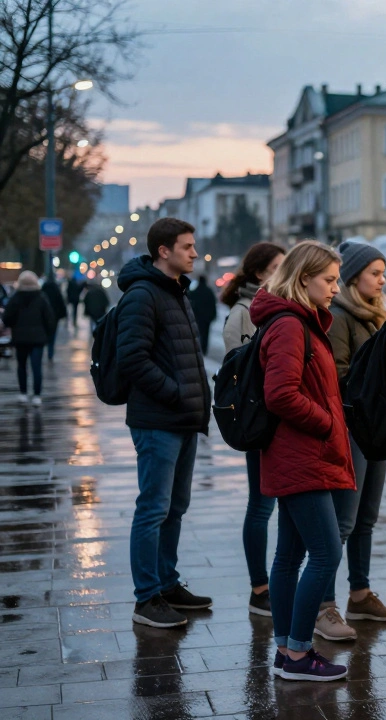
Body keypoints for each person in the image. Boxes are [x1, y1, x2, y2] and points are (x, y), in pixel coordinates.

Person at [255, 240, 354, 682]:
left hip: (295, 454)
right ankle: (298, 655)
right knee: (326, 552)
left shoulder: (296, 321)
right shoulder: (292, 325)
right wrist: (326, 423)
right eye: (329, 280)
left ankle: (285, 650)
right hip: (303, 454)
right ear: (303, 278)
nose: (335, 288)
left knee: (289, 555)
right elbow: (281, 393)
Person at [116, 218, 213, 629]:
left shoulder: (176, 293)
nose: (194, 253)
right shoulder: (143, 295)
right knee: (153, 508)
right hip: (159, 421)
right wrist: (175, 392)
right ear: (164, 251)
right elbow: (132, 358)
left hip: (183, 419)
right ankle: (146, 598)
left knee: (175, 506)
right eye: (187, 247)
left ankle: (167, 583)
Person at [316, 239, 386, 643]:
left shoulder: (374, 315)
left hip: (374, 428)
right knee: (343, 522)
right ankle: (323, 605)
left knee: (366, 518)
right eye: (375, 273)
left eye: (383, 273)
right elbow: (340, 376)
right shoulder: (340, 316)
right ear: (353, 277)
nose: (382, 281)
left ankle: (360, 595)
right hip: (351, 429)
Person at [220, 242, 287, 618]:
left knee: (271, 505)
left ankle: (270, 585)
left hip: (278, 422)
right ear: (260, 273)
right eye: (277, 266)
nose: (284, 271)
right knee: (260, 506)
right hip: (260, 422)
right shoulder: (243, 314)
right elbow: (240, 377)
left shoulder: (275, 308)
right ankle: (259, 588)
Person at [3, 271, 56, 405]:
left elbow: (7, 318)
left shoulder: (15, 298)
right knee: (36, 366)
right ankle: (37, 395)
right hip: (38, 338)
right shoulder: (41, 297)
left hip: (20, 338)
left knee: (21, 366)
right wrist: (48, 334)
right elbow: (49, 318)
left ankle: (23, 393)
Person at [189, 275, 218, 355]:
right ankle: (204, 349)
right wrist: (213, 315)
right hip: (207, 318)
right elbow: (213, 304)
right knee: (205, 334)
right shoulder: (209, 291)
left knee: (197, 333)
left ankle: (197, 349)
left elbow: (190, 302)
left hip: (197, 317)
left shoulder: (195, 291)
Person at [41, 275, 66, 360]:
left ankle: (46, 349)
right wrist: (63, 314)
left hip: (44, 317)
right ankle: (50, 353)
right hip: (55, 316)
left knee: (45, 333)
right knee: (53, 335)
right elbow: (61, 303)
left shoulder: (43, 290)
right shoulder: (56, 290)